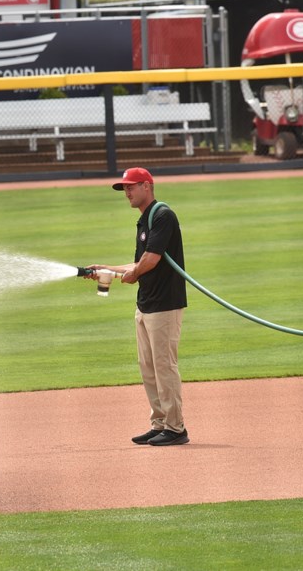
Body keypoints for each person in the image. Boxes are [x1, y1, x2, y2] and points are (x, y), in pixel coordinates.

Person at [85, 167, 189, 447]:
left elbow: (150, 261)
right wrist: (106, 268)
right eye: (124, 188)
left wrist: (132, 275)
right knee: (148, 367)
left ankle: (176, 428)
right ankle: (160, 424)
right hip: (145, 305)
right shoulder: (145, 221)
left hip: (165, 305)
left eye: (131, 187)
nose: (127, 192)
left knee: (164, 366)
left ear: (146, 186)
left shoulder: (163, 215)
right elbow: (137, 264)